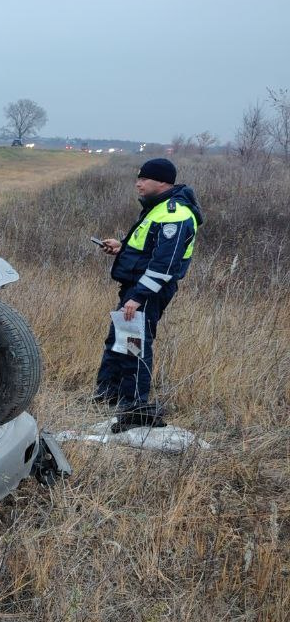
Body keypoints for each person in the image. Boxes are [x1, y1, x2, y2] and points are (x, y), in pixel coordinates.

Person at [94, 157, 202, 429]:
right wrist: (122, 246)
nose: (138, 183)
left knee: (134, 346)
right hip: (136, 288)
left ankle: (133, 404)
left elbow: (165, 265)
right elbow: (149, 248)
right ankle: (108, 395)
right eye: (138, 178)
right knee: (118, 341)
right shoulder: (159, 207)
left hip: (147, 292)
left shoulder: (175, 214)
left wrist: (138, 297)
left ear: (163, 181)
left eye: (144, 178)